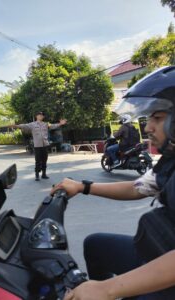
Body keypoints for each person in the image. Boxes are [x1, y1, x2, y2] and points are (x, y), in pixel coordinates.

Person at [51, 66, 175, 299]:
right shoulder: (170, 162)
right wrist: (83, 186)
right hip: (157, 251)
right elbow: (136, 187)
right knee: (95, 245)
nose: (148, 127)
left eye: (157, 118)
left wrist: (106, 289)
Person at [9, 112, 67, 181]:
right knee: (38, 161)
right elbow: (24, 125)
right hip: (37, 146)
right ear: (36, 116)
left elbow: (53, 126)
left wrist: (60, 124)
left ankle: (44, 174)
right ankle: (37, 175)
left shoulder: (46, 124)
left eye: (42, 115)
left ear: (43, 117)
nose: (40, 116)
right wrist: (16, 126)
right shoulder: (32, 124)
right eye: (39, 115)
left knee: (44, 160)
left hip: (45, 145)